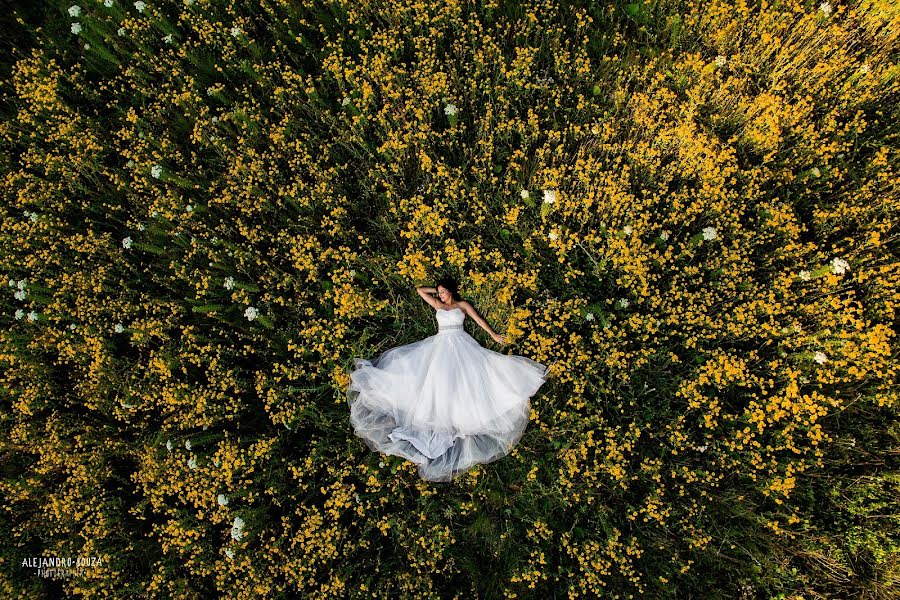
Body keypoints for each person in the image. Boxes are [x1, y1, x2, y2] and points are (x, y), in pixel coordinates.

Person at [347, 276, 549, 482]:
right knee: (435, 379)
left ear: (451, 291)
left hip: (461, 343)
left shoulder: (462, 305)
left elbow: (478, 319)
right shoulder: (437, 304)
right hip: (440, 344)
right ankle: (438, 416)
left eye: (444, 291)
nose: (441, 295)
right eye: (440, 292)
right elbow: (419, 290)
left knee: (468, 378)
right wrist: (435, 290)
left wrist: (493, 334)